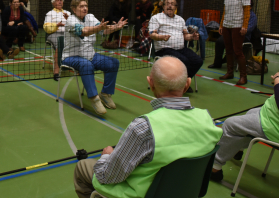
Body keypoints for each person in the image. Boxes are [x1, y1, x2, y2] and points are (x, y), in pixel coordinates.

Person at [74, 56, 223, 198]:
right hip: (185, 193)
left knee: (83, 166)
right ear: (187, 83)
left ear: (150, 83)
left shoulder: (142, 127)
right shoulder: (208, 121)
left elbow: (107, 176)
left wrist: (107, 156)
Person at [62, 0, 127, 115]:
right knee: (86, 65)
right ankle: (94, 98)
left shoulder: (90, 17)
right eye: (81, 6)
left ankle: (106, 94)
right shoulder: (71, 20)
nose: (85, 8)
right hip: (71, 56)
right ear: (73, 9)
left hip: (90, 55)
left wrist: (115, 27)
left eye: (86, 6)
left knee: (113, 63)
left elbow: (103, 29)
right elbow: (84, 32)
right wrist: (98, 28)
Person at [211, 71, 279, 182]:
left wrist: (277, 81)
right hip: (270, 115)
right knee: (251, 113)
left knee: (229, 124)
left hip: (272, 125)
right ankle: (238, 148)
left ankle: (215, 168)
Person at [148, 0, 203, 93]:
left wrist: (192, 36)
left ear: (175, 7)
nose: (170, 5)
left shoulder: (180, 19)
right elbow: (152, 34)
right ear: (164, 6)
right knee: (184, 60)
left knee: (197, 61)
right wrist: (162, 37)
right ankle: (181, 84)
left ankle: (184, 82)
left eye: (172, 4)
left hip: (180, 48)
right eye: (167, 3)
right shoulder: (156, 18)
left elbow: (186, 36)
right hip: (164, 49)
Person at [218, 0, 251, 85]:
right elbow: (225, 10)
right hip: (227, 24)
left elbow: (247, 10)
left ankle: (243, 76)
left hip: (237, 25)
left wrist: (244, 26)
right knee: (228, 50)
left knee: (238, 51)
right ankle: (230, 72)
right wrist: (221, 24)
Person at [209, 1, 257, 69]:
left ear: (250, 7)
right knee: (219, 41)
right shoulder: (238, 14)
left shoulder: (253, 17)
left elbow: (248, 30)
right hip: (231, 34)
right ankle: (217, 63)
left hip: (243, 37)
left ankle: (229, 63)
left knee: (233, 44)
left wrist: (236, 31)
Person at [43, 0, 71, 81]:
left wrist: (68, 21)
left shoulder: (68, 13)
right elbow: (46, 27)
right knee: (60, 43)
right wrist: (56, 25)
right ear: (53, 3)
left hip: (67, 34)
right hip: (54, 34)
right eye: (58, 0)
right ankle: (56, 71)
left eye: (61, 0)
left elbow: (74, 25)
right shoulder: (50, 14)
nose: (60, 2)